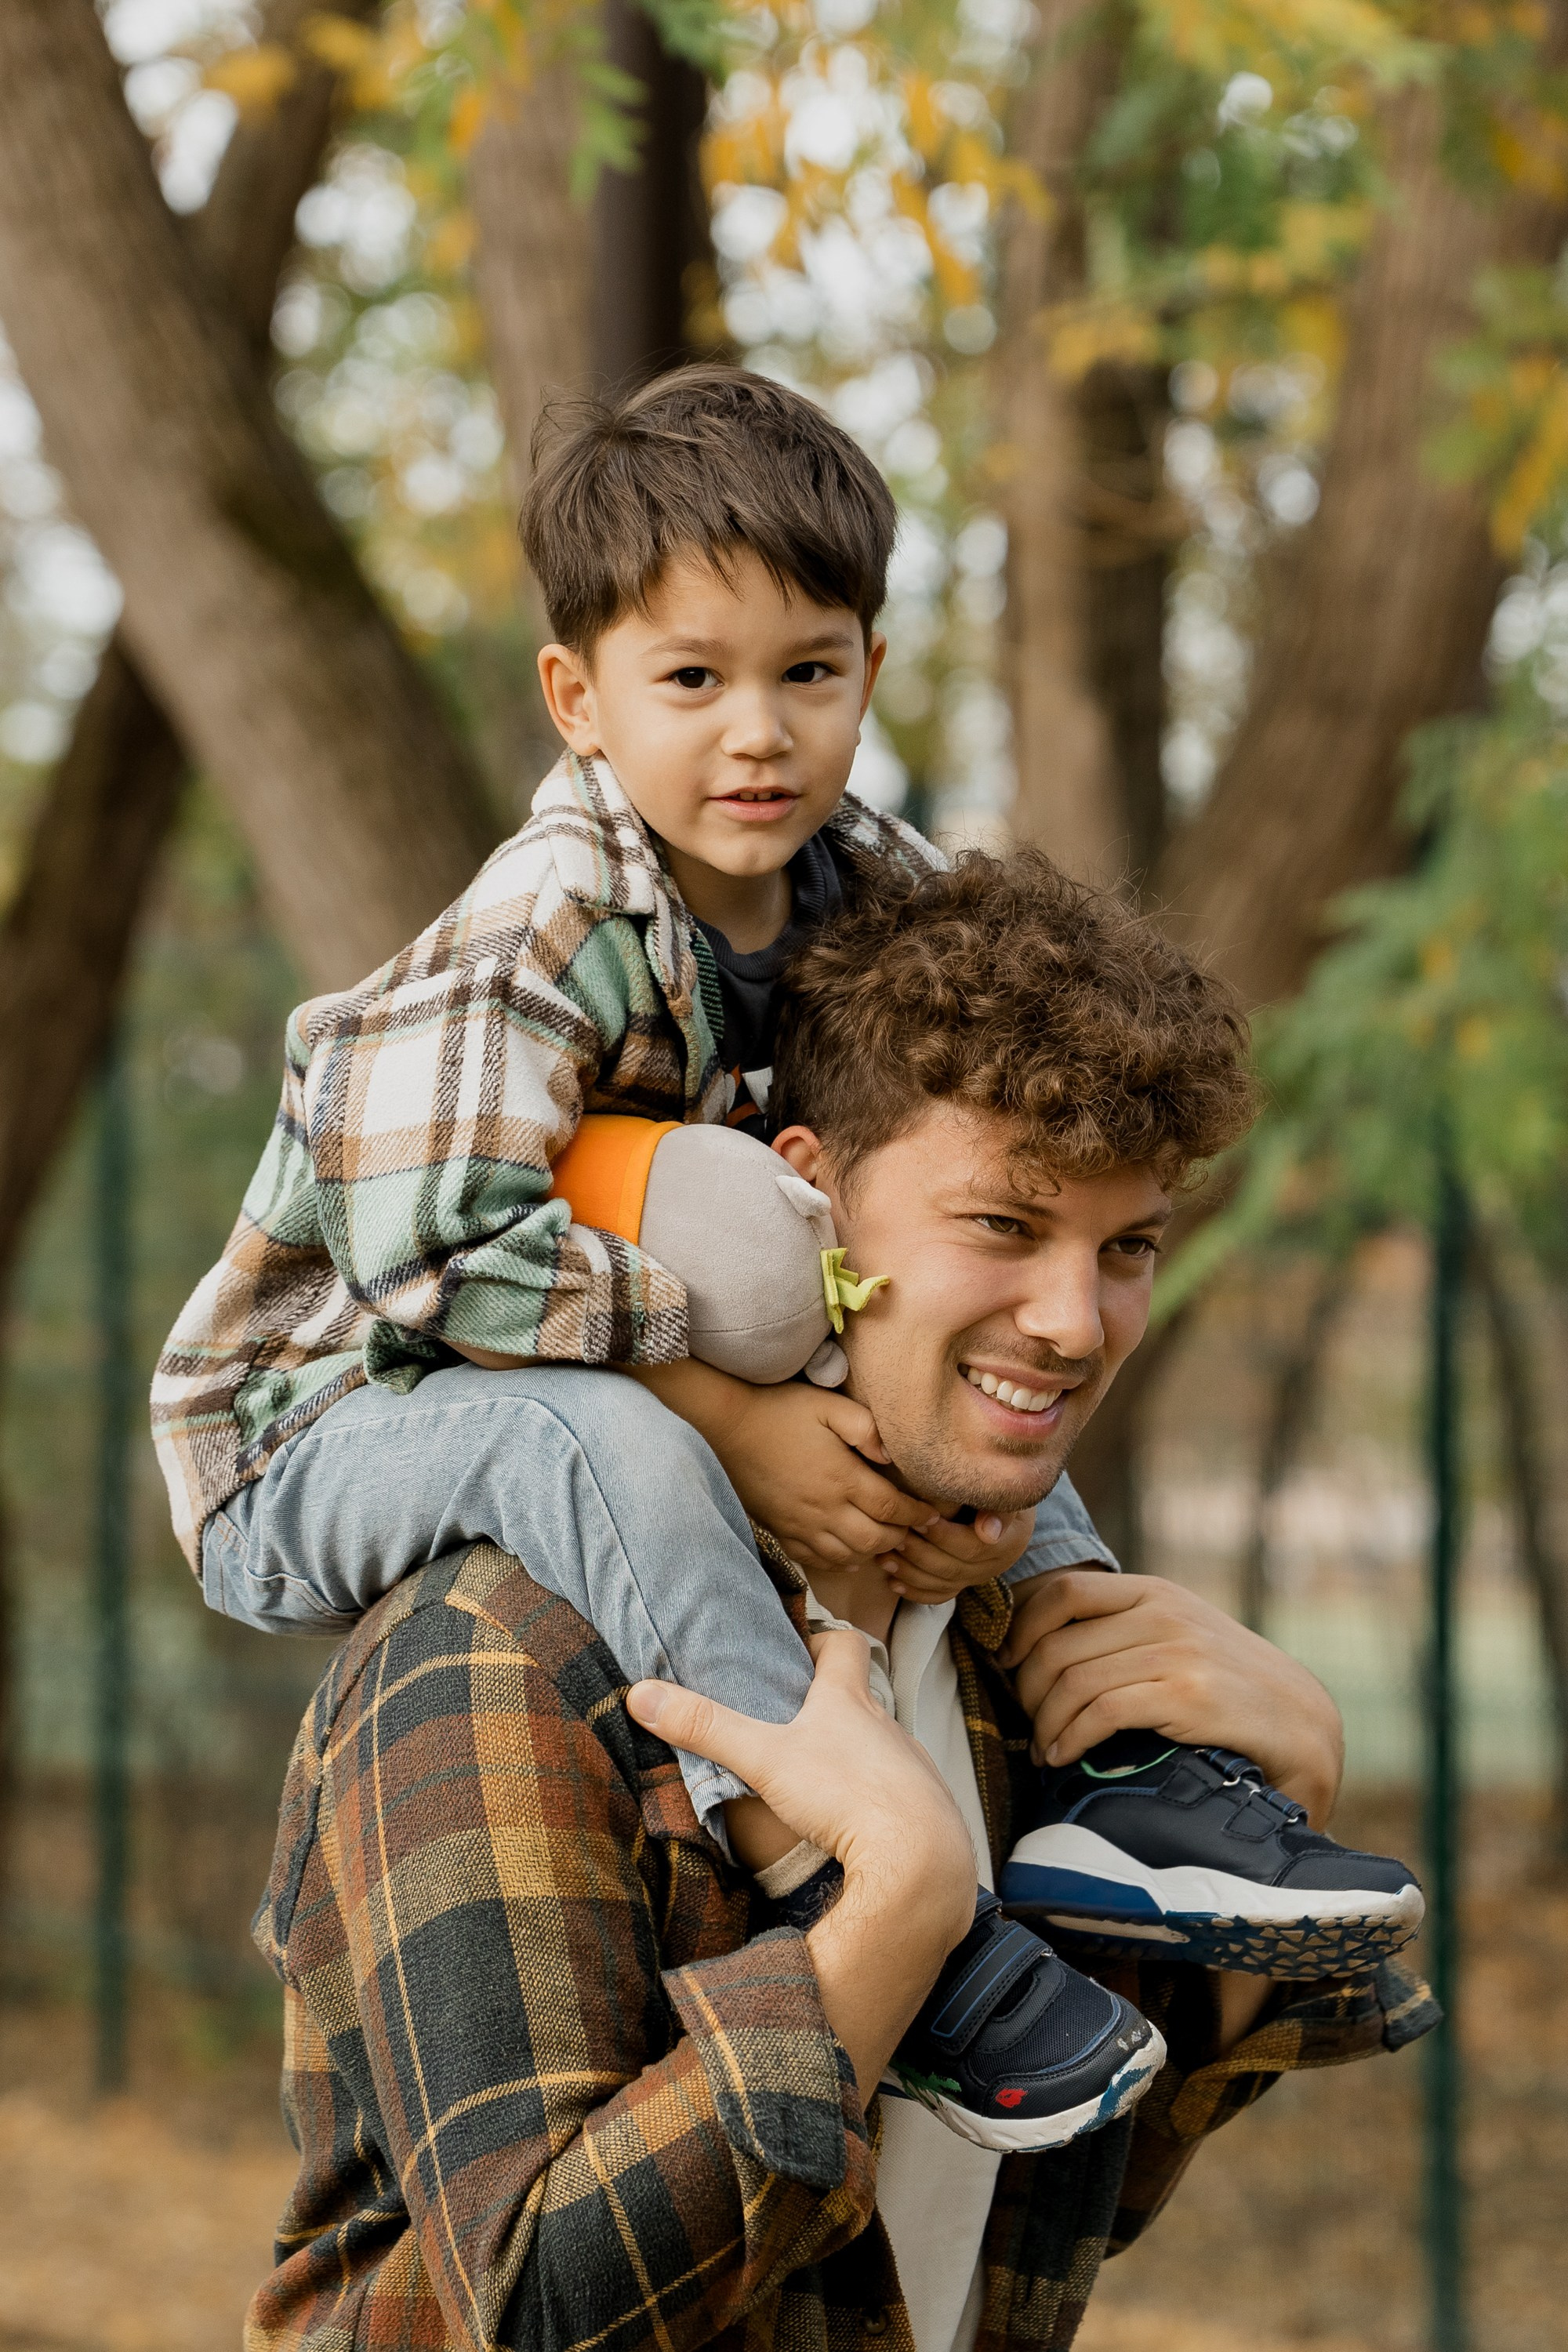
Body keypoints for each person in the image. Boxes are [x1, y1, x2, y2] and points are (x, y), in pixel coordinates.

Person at [154, 365, 1415, 2156]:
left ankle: (1127, 1773)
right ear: (578, 699)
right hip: (326, 1424)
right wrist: (737, 1420)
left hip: (592, 1339)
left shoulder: (867, 883)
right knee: (602, 1435)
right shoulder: (539, 931)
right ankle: (838, 1872)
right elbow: (429, 1263)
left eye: (806, 674)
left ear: (869, 675)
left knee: (995, 1354)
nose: (757, 734)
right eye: (693, 681)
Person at [245, 851, 1436, 2350]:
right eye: (1004, 1226)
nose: (1076, 1324)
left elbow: (1041, 2205)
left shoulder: (1006, 1645)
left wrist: (1270, 1803)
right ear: (806, 1194)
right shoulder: (505, 1656)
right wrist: (890, 1920)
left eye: (1127, 1247)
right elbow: (541, 2308)